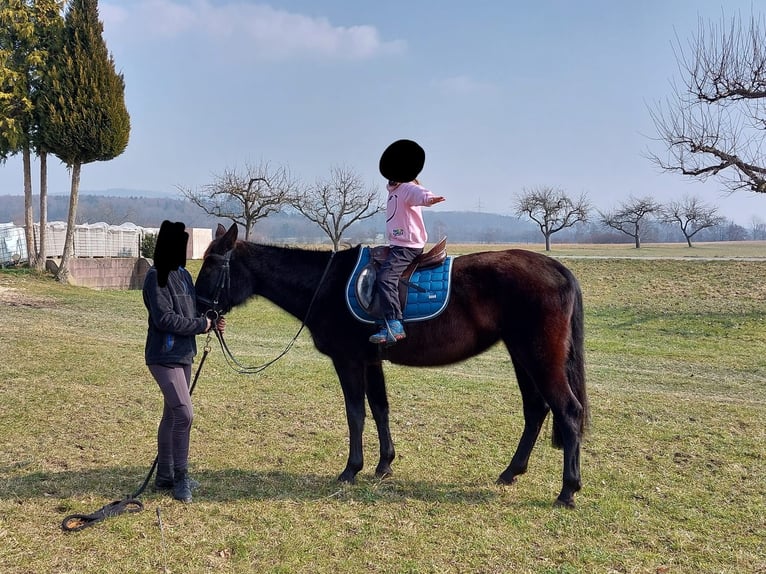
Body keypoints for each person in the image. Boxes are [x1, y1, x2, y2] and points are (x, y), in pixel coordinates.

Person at [142, 220, 225, 503]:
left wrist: (211, 320)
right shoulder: (156, 277)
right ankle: (181, 478)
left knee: (172, 415)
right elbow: (164, 318)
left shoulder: (184, 276)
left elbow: (193, 310)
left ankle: (164, 476)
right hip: (163, 357)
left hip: (183, 354)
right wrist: (201, 326)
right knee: (185, 414)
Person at [370, 139, 445, 345]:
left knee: (386, 277)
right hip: (397, 244)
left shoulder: (407, 188)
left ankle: (394, 324)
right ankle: (382, 319)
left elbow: (419, 194)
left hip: (408, 246)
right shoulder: (392, 191)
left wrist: (430, 199)